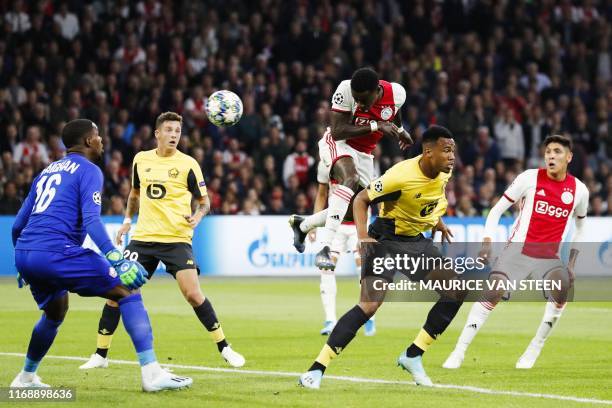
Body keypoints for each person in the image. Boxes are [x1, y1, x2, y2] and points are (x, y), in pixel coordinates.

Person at [10, 119, 191, 391]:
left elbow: (17, 225)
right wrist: (115, 258)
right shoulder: (89, 170)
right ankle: (152, 373)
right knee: (128, 290)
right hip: (58, 251)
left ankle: (24, 378)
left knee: (55, 312)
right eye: (97, 136)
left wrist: (22, 264)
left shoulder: (46, 171)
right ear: (87, 142)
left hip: (25, 252)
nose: (101, 140)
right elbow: (93, 222)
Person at [299, 125, 465, 389]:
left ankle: (413, 355)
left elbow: (427, 200)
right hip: (385, 240)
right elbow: (362, 200)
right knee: (369, 306)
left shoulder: (444, 171)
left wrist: (437, 222)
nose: (452, 156)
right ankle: (316, 369)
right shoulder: (400, 176)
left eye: (453, 151)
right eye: (446, 151)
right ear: (428, 151)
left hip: (413, 242)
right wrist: (364, 238)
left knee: (456, 290)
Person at [79, 112, 245, 369]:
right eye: (169, 130)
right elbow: (134, 194)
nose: (174, 135)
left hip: (177, 239)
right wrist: (126, 220)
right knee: (116, 291)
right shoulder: (141, 160)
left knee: (192, 294)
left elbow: (204, 202)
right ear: (157, 133)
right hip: (144, 238)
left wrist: (198, 217)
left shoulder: (189, 164)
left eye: (177, 131)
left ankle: (225, 347)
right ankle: (100, 355)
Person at [443, 134, 589, 369]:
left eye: (557, 152)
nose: (551, 155)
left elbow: (581, 228)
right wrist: (487, 242)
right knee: (493, 292)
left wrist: (571, 265)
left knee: (562, 293)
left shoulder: (579, 191)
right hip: (517, 252)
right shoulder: (529, 178)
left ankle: (534, 348)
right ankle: (458, 351)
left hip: (549, 258)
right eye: (548, 151)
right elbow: (496, 211)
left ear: (569, 157)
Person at [289, 67, 412, 270]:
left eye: (364, 100)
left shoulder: (397, 93)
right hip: (339, 143)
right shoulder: (345, 89)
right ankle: (324, 248)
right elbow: (337, 132)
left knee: (353, 208)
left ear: (377, 91)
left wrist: (400, 130)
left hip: (365, 155)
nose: (360, 104)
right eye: (357, 100)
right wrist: (376, 126)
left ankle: (303, 224)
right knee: (350, 178)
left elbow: (394, 110)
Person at [307, 161, 376, 336]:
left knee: (363, 268)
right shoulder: (326, 164)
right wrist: (313, 224)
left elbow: (374, 195)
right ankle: (330, 319)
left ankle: (368, 317)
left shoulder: (362, 161)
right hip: (335, 226)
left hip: (358, 225)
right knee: (326, 267)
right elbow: (322, 194)